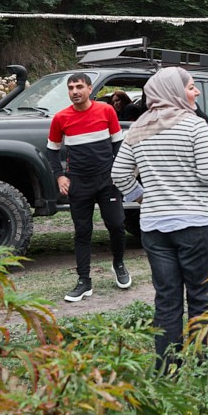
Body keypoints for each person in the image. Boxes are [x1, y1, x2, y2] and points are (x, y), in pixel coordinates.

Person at [111, 68, 208, 360]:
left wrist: (143, 196)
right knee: (202, 299)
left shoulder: (137, 128)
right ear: (173, 91)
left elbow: (119, 174)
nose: (196, 92)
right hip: (195, 223)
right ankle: (205, 369)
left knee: (166, 300)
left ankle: (167, 370)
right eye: (190, 87)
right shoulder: (195, 125)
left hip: (154, 227)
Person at [46, 73, 130, 302]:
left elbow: (118, 145)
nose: (75, 91)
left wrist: (118, 172)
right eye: (71, 87)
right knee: (82, 232)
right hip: (79, 183)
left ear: (89, 89)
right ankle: (84, 281)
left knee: (116, 225)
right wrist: (59, 177)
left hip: (107, 181)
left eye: (79, 87)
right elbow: (51, 150)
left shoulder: (107, 111)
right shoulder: (61, 118)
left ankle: (119, 264)